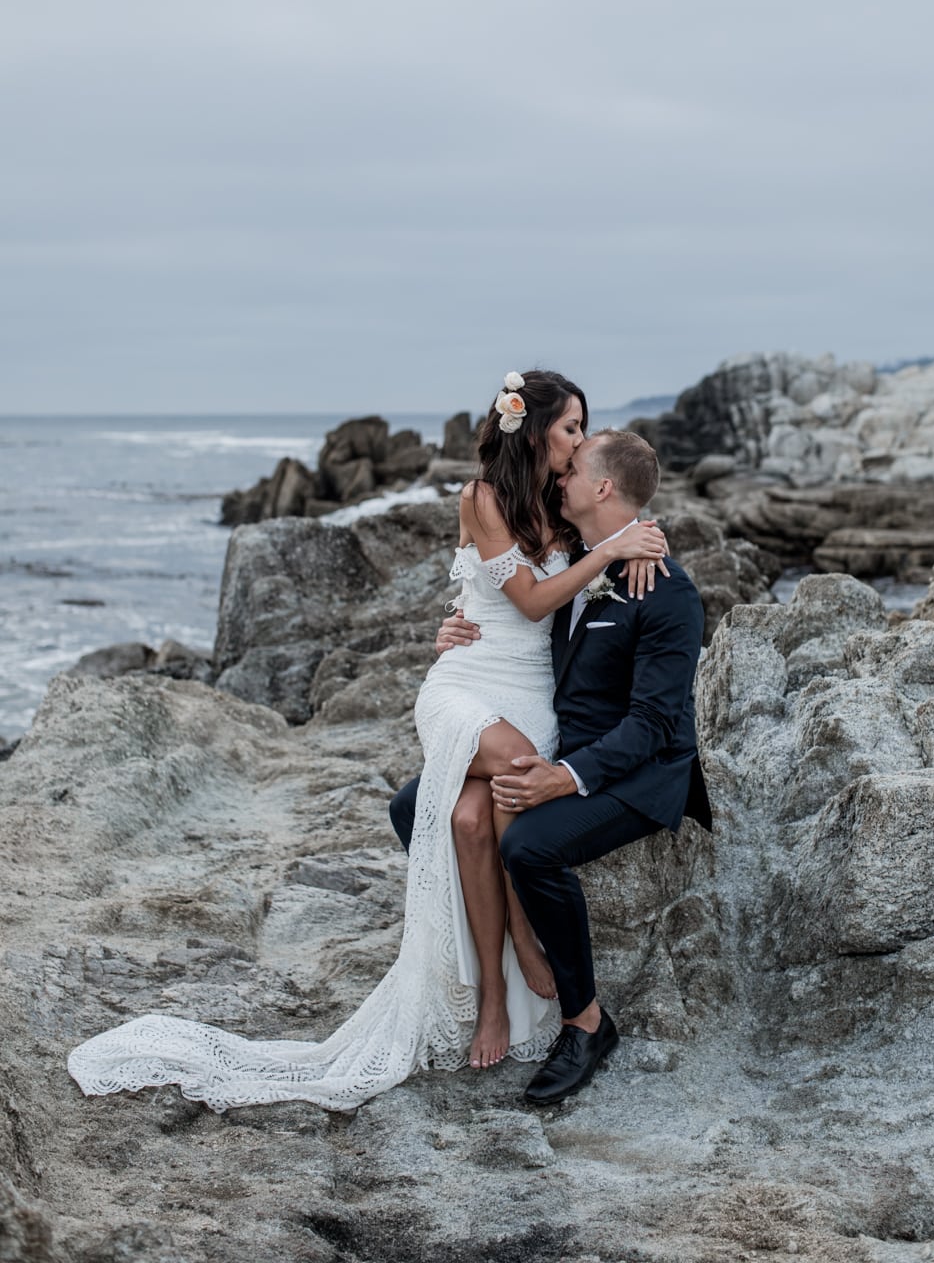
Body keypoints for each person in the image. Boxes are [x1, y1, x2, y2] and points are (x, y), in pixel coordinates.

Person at [67, 370, 668, 1112]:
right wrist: (597, 560)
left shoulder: (564, 506)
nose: (578, 443)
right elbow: (534, 597)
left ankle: (490, 999)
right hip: (464, 686)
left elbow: (616, 518)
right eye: (571, 427)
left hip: (528, 696)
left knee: (470, 817)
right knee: (516, 772)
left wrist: (637, 545)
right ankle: (516, 938)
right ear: (535, 426)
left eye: (583, 433)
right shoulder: (481, 498)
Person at [390, 423, 710, 1106]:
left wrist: (561, 779)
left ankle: (585, 1020)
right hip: (555, 745)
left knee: (530, 848)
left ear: (600, 487)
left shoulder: (666, 591)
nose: (557, 476)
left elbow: (654, 726)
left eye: (571, 470)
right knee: (413, 804)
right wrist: (457, 628)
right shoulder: (572, 560)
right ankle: (488, 965)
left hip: (636, 774)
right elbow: (515, 612)